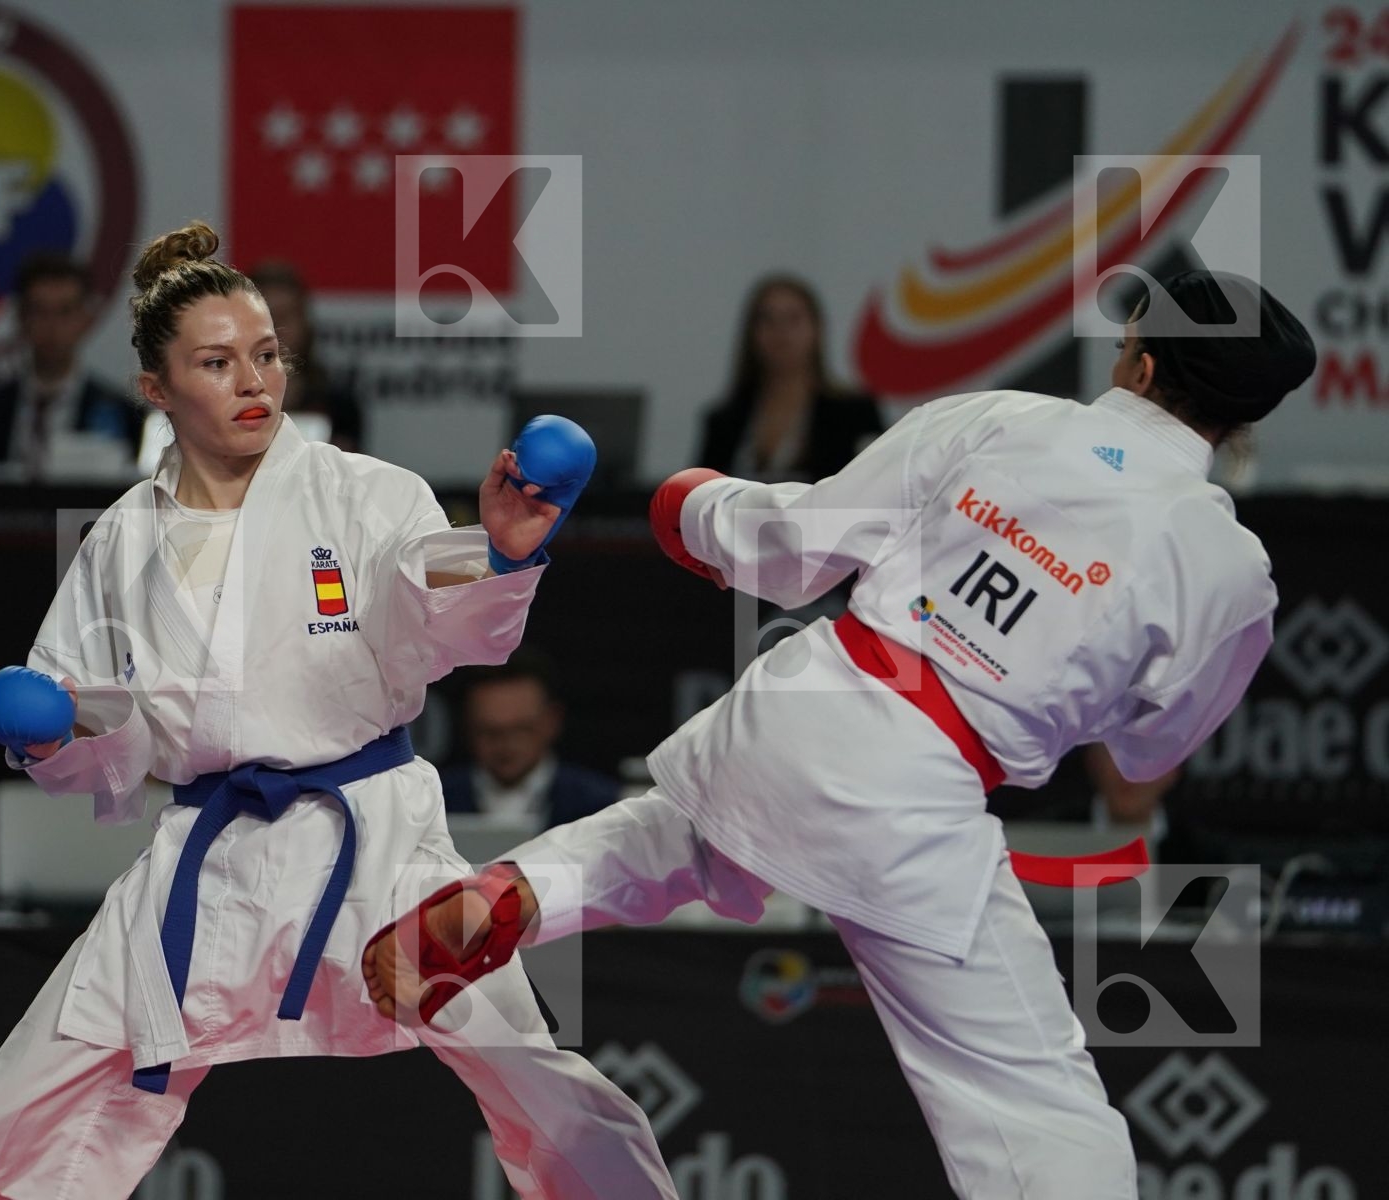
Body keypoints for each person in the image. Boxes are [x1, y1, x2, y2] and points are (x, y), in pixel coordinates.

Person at [367, 270, 1317, 1199]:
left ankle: (519, 887)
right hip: (925, 787)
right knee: (1033, 1100)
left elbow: (794, 544)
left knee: (684, 837)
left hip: (812, 698)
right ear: (1240, 420)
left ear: (1141, 368)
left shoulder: (1002, 419)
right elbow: (1149, 756)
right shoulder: (1230, 570)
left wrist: (689, 504)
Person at [0, 221, 674, 1200]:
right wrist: (52, 733)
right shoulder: (119, 539)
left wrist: (499, 552)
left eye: (265, 355)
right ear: (157, 390)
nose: (253, 381)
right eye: (216, 362)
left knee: (538, 1083)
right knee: (10, 1118)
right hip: (204, 862)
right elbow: (108, 737)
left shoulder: (364, 494)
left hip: (375, 846)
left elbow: (435, 602)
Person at [0, 252, 146, 471]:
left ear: (85, 319)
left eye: (64, 312)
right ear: (21, 317)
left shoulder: (122, 413)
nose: (52, 326)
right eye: (40, 311)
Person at [696, 274, 883, 482]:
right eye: (767, 319)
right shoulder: (724, 420)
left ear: (816, 329)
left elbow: (877, 486)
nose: (780, 331)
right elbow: (699, 495)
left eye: (793, 319)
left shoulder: (854, 413)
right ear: (751, 333)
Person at [440, 653, 620, 828]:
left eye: (521, 730)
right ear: (467, 727)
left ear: (552, 721)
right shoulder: (432, 803)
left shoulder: (603, 806)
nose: (506, 745)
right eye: (490, 732)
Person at [248, 259, 365, 451]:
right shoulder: (221, 400)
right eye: (267, 315)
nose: (278, 328)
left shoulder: (338, 404)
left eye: (287, 315)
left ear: (306, 323)